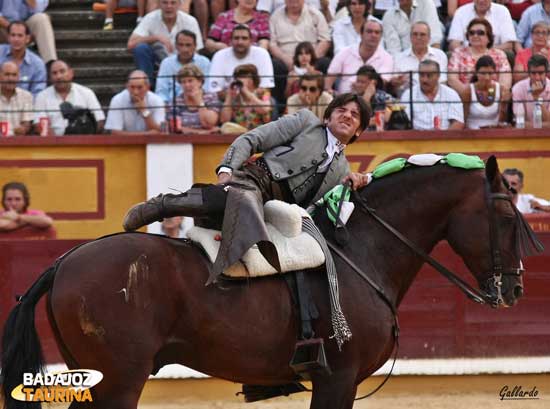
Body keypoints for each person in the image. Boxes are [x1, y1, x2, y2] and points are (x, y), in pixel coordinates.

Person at [123, 93, 370, 276]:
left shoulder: (342, 171)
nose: (347, 115)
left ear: (359, 131)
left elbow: (321, 213)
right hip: (254, 180)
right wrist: (227, 170)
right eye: (341, 110)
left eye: (355, 114)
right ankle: (163, 205)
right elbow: (253, 139)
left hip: (275, 214)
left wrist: (350, 185)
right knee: (234, 199)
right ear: (328, 116)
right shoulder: (306, 122)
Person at [269, 0, 331, 104]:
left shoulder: (315, 14)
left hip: (312, 56)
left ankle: (324, 102)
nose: (293, 3)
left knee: (325, 63)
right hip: (285, 60)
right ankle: (280, 105)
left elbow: (325, 40)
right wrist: (287, 59)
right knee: (275, 66)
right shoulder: (275, 16)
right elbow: (272, 44)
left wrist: (311, 59)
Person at [127, 0, 203, 83]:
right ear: (159, 4)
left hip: (182, 63)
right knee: (141, 48)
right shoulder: (150, 18)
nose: (169, 6)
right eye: (165, 2)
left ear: (179, 4)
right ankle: (146, 85)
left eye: (173, 3)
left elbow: (196, 52)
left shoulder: (190, 21)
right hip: (156, 63)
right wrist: (156, 37)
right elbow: (130, 45)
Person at [33, 60, 105, 136]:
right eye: (54, 73)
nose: (59, 76)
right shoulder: (42, 96)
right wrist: (56, 142)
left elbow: (99, 121)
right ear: (50, 77)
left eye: (62, 71)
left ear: (71, 73)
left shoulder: (86, 93)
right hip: (52, 143)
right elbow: (38, 124)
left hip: (82, 141)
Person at [447, 18, 511, 99]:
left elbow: (505, 83)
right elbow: (452, 80)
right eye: (471, 33)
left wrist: (489, 98)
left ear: (489, 37)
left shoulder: (499, 55)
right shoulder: (458, 53)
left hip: (493, 99)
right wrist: (470, 96)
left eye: (480, 33)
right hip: (465, 99)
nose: (475, 36)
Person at [326, 20, 393, 94]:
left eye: (377, 32)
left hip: (371, 102)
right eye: (369, 31)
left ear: (381, 37)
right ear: (361, 34)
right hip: (343, 100)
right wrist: (331, 94)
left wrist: (359, 88)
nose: (373, 35)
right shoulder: (344, 52)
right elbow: (328, 81)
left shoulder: (387, 58)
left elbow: (381, 83)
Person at [208, 24, 274, 93]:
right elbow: (215, 90)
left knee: (269, 100)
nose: (240, 42)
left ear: (251, 41)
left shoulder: (262, 54)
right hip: (226, 99)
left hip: (257, 98)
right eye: (236, 38)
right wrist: (237, 96)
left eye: (244, 38)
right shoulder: (219, 56)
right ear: (230, 40)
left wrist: (247, 97)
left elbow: (267, 88)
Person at [401, 60, 465, 130]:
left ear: (438, 76)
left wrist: (442, 139)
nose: (424, 80)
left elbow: (458, 123)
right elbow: (404, 125)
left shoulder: (451, 94)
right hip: (417, 139)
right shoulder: (408, 95)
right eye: (421, 75)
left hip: (445, 138)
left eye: (429, 76)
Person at [391, 21, 448, 96]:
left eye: (422, 35)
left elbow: (443, 81)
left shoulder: (440, 55)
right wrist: (396, 83)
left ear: (429, 38)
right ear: (410, 37)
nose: (418, 37)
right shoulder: (399, 58)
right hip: (407, 100)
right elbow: (395, 88)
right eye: (415, 34)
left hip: (434, 98)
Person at [155, 29, 210, 103]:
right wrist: (165, 105)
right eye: (181, 45)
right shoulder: (166, 63)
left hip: (198, 104)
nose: (185, 49)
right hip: (172, 106)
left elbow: (207, 88)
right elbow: (161, 90)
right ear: (176, 46)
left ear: (195, 46)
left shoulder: (204, 62)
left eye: (188, 45)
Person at [105, 70, 166, 135]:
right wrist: (148, 134)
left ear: (148, 87)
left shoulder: (157, 100)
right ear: (127, 86)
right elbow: (115, 132)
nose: (135, 92)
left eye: (140, 87)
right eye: (132, 87)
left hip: (151, 144)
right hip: (125, 144)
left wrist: (144, 112)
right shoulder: (117, 100)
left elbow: (162, 130)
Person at [167, 64, 221, 133]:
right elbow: (175, 128)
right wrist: (200, 132)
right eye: (183, 82)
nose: (187, 85)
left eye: (190, 81)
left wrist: (199, 102)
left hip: (209, 140)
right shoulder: (176, 101)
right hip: (183, 140)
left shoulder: (211, 97)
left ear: (200, 82)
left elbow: (210, 123)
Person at [448, 0, 517, 52]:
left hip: (494, 56)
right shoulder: (461, 12)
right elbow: (454, 44)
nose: (481, 0)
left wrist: (483, 52)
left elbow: (508, 46)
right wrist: (471, 53)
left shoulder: (502, 11)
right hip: (466, 57)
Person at [205, 0, 270, 54]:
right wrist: (218, 46)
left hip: (252, 56)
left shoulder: (261, 18)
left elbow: (264, 42)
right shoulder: (224, 16)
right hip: (226, 55)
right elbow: (209, 42)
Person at [220, 63, 272, 129]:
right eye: (237, 77)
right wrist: (229, 96)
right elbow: (224, 120)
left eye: (243, 76)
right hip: (239, 134)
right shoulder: (235, 96)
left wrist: (246, 92)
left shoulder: (263, 92)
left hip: (261, 133)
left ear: (253, 79)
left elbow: (264, 109)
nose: (239, 79)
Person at [0, 21, 46, 96]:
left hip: (26, 106)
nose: (16, 39)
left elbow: (38, 94)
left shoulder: (37, 64)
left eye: (20, 36)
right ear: (8, 37)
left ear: (27, 38)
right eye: (13, 35)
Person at [463, 56, 509, 129]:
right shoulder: (468, 91)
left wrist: (504, 104)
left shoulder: (500, 89)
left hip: (494, 133)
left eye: (490, 73)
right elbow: (463, 120)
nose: (487, 77)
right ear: (476, 73)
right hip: (472, 134)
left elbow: (502, 121)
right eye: (483, 73)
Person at [512, 54, 550, 128]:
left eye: (540, 73)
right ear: (528, 73)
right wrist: (543, 125)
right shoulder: (518, 88)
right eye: (533, 73)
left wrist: (537, 98)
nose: (537, 78)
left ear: (546, 73)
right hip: (524, 135)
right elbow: (519, 122)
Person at [0, 60, 32, 136]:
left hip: (17, 142)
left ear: (18, 77)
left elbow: (26, 123)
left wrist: (23, 129)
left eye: (14, 75)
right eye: (7, 74)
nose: (10, 78)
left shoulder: (26, 96)